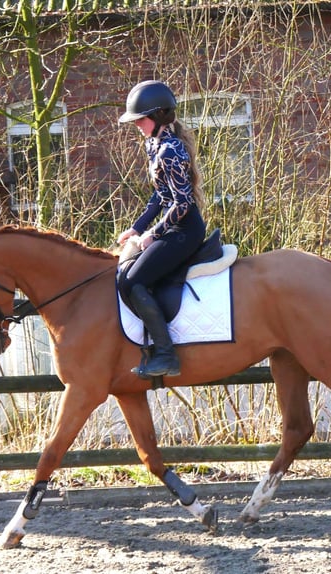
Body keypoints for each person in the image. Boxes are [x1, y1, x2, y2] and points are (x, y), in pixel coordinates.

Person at [116, 80, 207, 379]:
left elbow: (182, 202)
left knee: (132, 283)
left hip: (185, 229)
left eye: (140, 120)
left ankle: (167, 355)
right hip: (170, 226)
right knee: (125, 276)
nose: (137, 126)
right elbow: (159, 196)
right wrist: (136, 228)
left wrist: (153, 233)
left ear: (157, 117)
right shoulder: (153, 144)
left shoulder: (171, 150)